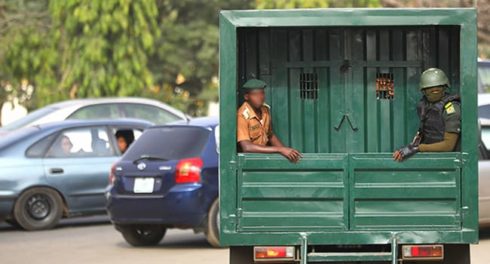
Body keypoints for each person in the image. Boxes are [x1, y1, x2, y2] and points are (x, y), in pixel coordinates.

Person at [393, 68, 461, 161]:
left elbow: (448, 145)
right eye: (430, 88)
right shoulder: (425, 106)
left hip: (448, 160)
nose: (434, 90)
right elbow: (423, 131)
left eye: (438, 87)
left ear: (444, 88)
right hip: (430, 157)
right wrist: (410, 147)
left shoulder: (451, 108)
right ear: (424, 91)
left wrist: (418, 148)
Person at [237, 78, 302, 163]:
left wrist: (286, 151)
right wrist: (280, 150)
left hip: (264, 158)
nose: (260, 97)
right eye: (255, 94)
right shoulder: (242, 116)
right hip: (249, 161)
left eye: (262, 93)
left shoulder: (265, 110)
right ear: (247, 97)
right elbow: (247, 147)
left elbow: (270, 135)